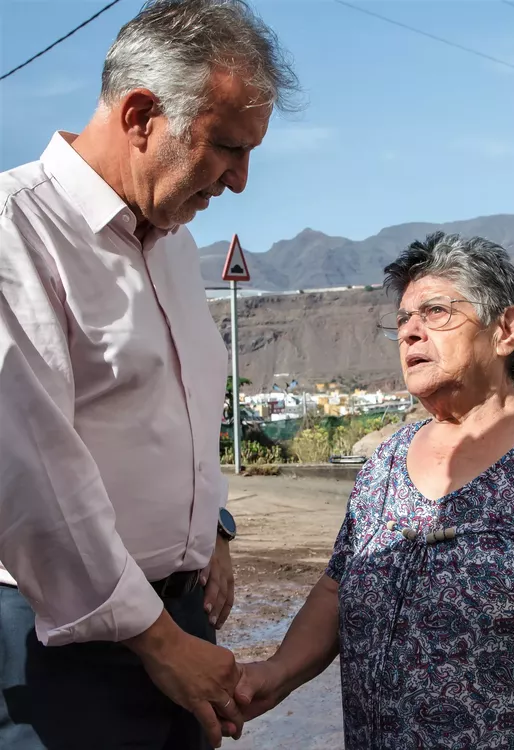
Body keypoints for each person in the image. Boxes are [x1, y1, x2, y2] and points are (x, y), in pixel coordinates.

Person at [235, 232, 514, 749]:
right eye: (403, 320)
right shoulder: (385, 464)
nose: (410, 332)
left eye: (435, 312)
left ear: (505, 329)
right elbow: (336, 590)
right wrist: (275, 673)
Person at [0, 1, 299, 748]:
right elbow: (30, 474)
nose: (240, 181)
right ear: (140, 116)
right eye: (228, 147)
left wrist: (213, 531)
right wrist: (159, 642)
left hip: (177, 621)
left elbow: (178, 410)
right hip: (64, 642)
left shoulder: (170, 244)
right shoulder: (15, 232)